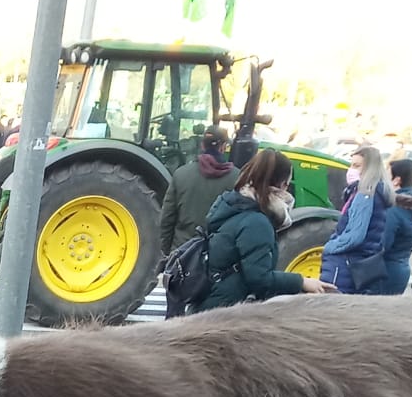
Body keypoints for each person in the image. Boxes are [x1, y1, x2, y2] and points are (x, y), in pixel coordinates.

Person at [193, 149, 337, 312]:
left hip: (210, 301)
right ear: (283, 184)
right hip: (224, 311)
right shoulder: (256, 223)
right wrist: (302, 281)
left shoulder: (234, 205)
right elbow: (260, 279)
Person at [321, 145, 392, 295]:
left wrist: (329, 247)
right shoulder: (380, 193)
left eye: (357, 166)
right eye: (351, 165)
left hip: (344, 264)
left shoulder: (365, 194)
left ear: (370, 169)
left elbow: (355, 235)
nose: (351, 170)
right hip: (360, 264)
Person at [160, 125, 238, 255]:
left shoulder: (180, 174)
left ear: (202, 145)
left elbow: (167, 218)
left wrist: (167, 251)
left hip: (182, 253)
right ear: (224, 147)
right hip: (218, 256)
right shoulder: (238, 178)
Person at [378, 157, 412, 297]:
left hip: (385, 270)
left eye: (387, 175)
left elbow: (383, 244)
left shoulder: (394, 209)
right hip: (402, 268)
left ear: (396, 180)